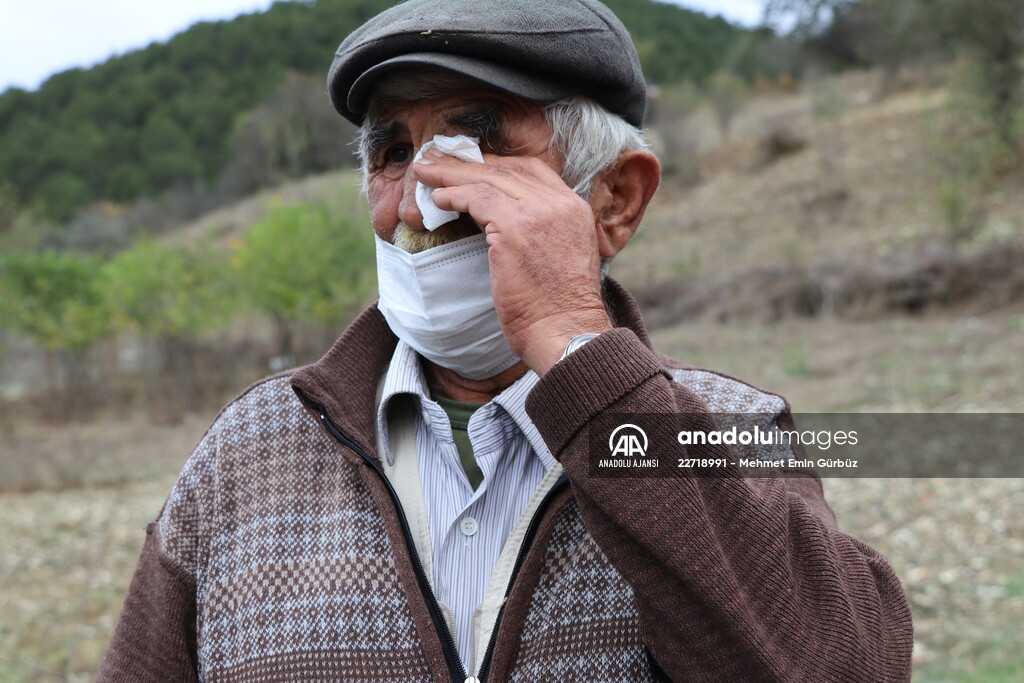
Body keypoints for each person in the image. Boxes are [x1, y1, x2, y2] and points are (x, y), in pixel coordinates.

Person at [100, 0, 913, 680]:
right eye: (392, 154)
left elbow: (845, 666)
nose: (422, 204)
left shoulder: (733, 427)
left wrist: (575, 346)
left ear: (615, 201)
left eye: (478, 145)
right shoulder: (243, 453)